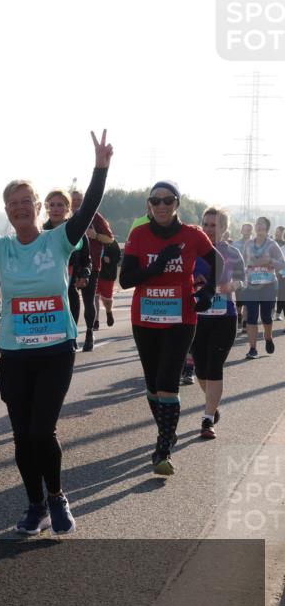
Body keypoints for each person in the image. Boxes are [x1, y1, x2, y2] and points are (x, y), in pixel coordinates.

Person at [0, 128, 114, 536]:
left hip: (56, 350)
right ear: (7, 210)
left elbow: (87, 208)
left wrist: (100, 168)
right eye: (12, 204)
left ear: (38, 207)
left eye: (26, 202)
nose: (20, 208)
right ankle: (34, 505)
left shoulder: (59, 240)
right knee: (21, 436)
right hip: (15, 355)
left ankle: (56, 496)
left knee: (42, 430)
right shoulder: (0, 247)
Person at [119, 181, 222, 476]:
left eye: (168, 200)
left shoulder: (192, 234)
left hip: (181, 319)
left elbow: (217, 260)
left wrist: (208, 291)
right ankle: (168, 431)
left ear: (177, 202)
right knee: (152, 386)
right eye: (156, 201)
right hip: (146, 319)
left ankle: (163, 447)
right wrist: (157, 266)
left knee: (168, 381)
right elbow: (126, 279)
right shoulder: (139, 234)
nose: (162, 206)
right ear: (149, 205)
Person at [190, 207, 245, 438]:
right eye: (206, 224)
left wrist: (232, 286)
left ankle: (207, 418)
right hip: (196, 319)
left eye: (214, 225)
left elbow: (243, 278)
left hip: (224, 318)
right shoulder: (192, 252)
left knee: (214, 367)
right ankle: (212, 404)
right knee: (201, 369)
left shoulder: (232, 252)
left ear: (224, 229)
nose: (209, 229)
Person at [42, 189, 91, 333]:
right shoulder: (39, 233)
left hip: (70, 293)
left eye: (60, 205)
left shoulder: (77, 232)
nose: (56, 209)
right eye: (52, 205)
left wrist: (84, 275)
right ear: (46, 208)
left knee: (69, 338)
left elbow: (87, 261)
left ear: (67, 208)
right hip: (45, 294)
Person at [71, 189, 115, 349]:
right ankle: (72, 335)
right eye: (73, 199)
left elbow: (110, 239)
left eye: (79, 199)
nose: (76, 202)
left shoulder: (95, 217)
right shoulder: (64, 217)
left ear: (84, 200)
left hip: (91, 265)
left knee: (89, 301)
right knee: (70, 303)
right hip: (67, 268)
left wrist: (95, 235)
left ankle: (89, 333)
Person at [240, 216, 285, 357]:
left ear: (267, 227)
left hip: (268, 287)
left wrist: (270, 261)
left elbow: (283, 264)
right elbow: (242, 263)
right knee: (252, 317)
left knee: (266, 318)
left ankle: (268, 337)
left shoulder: (272, 245)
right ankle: (252, 349)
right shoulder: (248, 244)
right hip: (251, 286)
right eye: (257, 224)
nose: (259, 226)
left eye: (262, 224)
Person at [96, 238, 121, 327]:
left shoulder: (112, 241)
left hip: (108, 274)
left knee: (107, 299)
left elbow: (118, 257)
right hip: (95, 273)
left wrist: (110, 260)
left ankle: (108, 312)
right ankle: (96, 320)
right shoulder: (92, 241)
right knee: (94, 298)